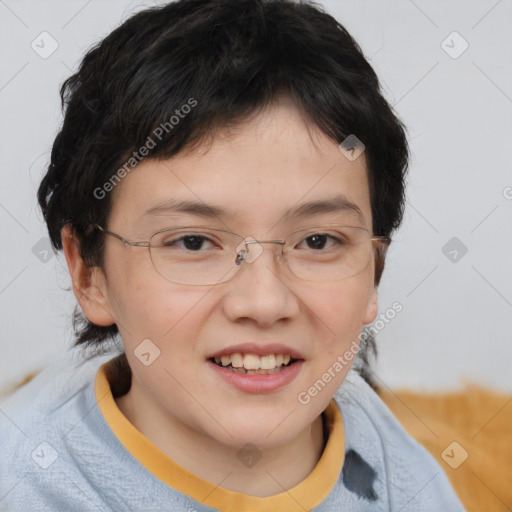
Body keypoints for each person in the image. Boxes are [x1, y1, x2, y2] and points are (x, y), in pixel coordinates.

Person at [0, 0, 466, 510]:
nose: (264, 302)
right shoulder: (25, 485)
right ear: (90, 273)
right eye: (193, 242)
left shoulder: (396, 467)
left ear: (374, 267)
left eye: (318, 241)